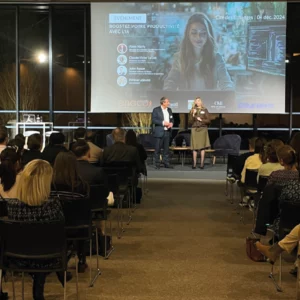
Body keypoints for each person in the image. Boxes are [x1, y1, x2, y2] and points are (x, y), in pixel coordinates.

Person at [5, 160, 66, 300]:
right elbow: (59, 232)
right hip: (49, 258)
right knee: (49, 245)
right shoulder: (54, 205)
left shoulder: (12, 206)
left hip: (17, 257)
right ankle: (39, 287)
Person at [163, 13, 233, 91]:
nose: (198, 37)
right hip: (185, 102)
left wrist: (229, 94)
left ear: (208, 35)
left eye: (203, 33)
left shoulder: (217, 58)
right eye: (194, 33)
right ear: (188, 35)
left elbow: (226, 83)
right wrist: (167, 93)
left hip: (209, 102)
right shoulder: (179, 58)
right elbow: (170, 82)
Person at [151, 97, 173, 169]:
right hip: (159, 132)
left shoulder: (169, 110)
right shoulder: (156, 110)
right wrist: (163, 123)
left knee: (166, 149)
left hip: (167, 132)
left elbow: (172, 119)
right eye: (167, 102)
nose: (168, 103)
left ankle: (166, 163)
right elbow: (154, 120)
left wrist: (171, 123)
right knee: (157, 149)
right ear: (163, 103)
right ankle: (157, 164)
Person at [189, 97, 210, 169]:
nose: (197, 102)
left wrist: (201, 120)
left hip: (202, 129)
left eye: (198, 101)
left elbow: (208, 121)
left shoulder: (205, 110)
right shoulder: (192, 110)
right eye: (196, 101)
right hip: (195, 129)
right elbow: (190, 122)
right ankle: (194, 164)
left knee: (202, 147)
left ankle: (202, 164)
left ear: (201, 102)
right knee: (194, 147)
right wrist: (193, 114)